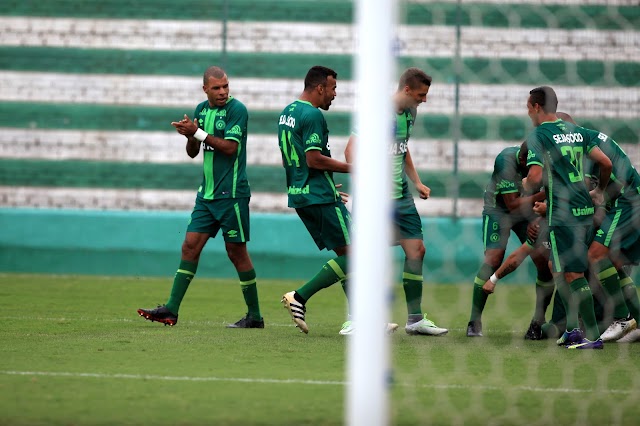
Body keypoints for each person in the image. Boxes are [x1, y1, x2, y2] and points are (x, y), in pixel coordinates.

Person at [137, 66, 263, 328]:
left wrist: (198, 132)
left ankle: (254, 316)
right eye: (217, 88)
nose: (223, 92)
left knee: (236, 252)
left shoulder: (237, 110)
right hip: (206, 195)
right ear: (204, 89)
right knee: (190, 246)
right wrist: (190, 134)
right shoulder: (201, 110)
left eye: (226, 86)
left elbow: (231, 148)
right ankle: (171, 309)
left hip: (232, 194)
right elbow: (193, 152)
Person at [342, 67, 448, 336]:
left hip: (401, 197)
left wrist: (417, 182)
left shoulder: (410, 113)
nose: (424, 100)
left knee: (417, 251)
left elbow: (402, 148)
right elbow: (350, 151)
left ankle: (414, 320)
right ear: (407, 90)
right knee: (366, 256)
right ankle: (353, 319)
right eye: (421, 95)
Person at [522, 86, 612, 349]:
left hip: (563, 214)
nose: (528, 113)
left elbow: (536, 177)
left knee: (573, 275)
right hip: (585, 210)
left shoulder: (540, 134)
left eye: (528, 107)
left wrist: (527, 184)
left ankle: (592, 336)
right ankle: (573, 329)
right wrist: (599, 191)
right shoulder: (577, 131)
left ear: (536, 107)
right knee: (557, 268)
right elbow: (605, 163)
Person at [278, 66, 353, 334]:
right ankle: (299, 296)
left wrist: (329, 184)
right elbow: (313, 159)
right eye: (333, 88)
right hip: (318, 196)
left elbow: (296, 160)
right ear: (320, 88)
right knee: (357, 255)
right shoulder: (312, 114)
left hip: (302, 194)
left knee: (346, 254)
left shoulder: (288, 112)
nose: (334, 94)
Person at [466, 142, 551, 338]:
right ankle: (474, 321)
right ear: (523, 160)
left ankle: (537, 322)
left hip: (528, 211)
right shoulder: (506, 161)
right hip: (499, 210)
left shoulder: (543, 162)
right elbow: (512, 204)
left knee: (544, 262)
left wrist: (538, 218)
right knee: (493, 259)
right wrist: (546, 193)